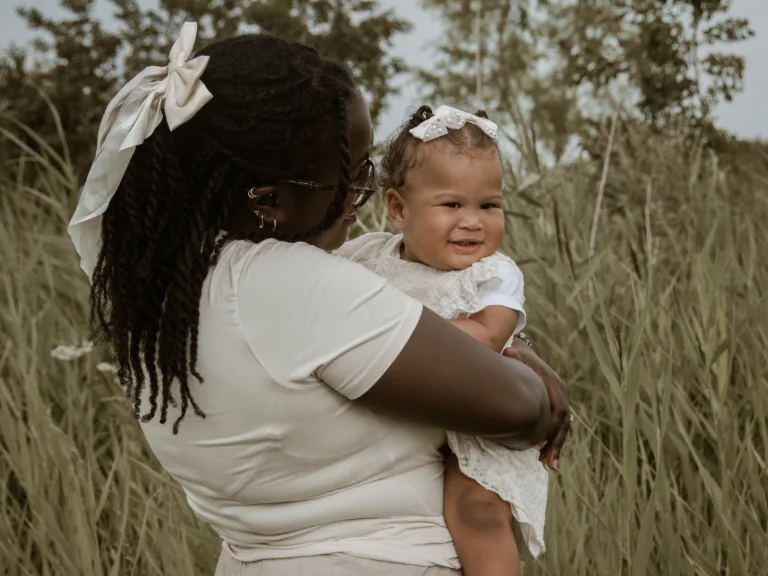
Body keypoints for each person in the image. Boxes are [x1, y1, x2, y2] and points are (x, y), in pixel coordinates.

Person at [68, 23, 571, 576]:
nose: (363, 195)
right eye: (351, 176)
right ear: (270, 200)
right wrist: (520, 356)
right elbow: (525, 410)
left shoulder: (168, 287)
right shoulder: (291, 284)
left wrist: (505, 340)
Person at [335, 104, 551, 576]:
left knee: (476, 509)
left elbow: (490, 334)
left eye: (488, 206)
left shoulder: (494, 274)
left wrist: (396, 329)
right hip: (408, 410)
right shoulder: (374, 256)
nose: (473, 222)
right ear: (397, 209)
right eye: (452, 205)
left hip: (478, 420)